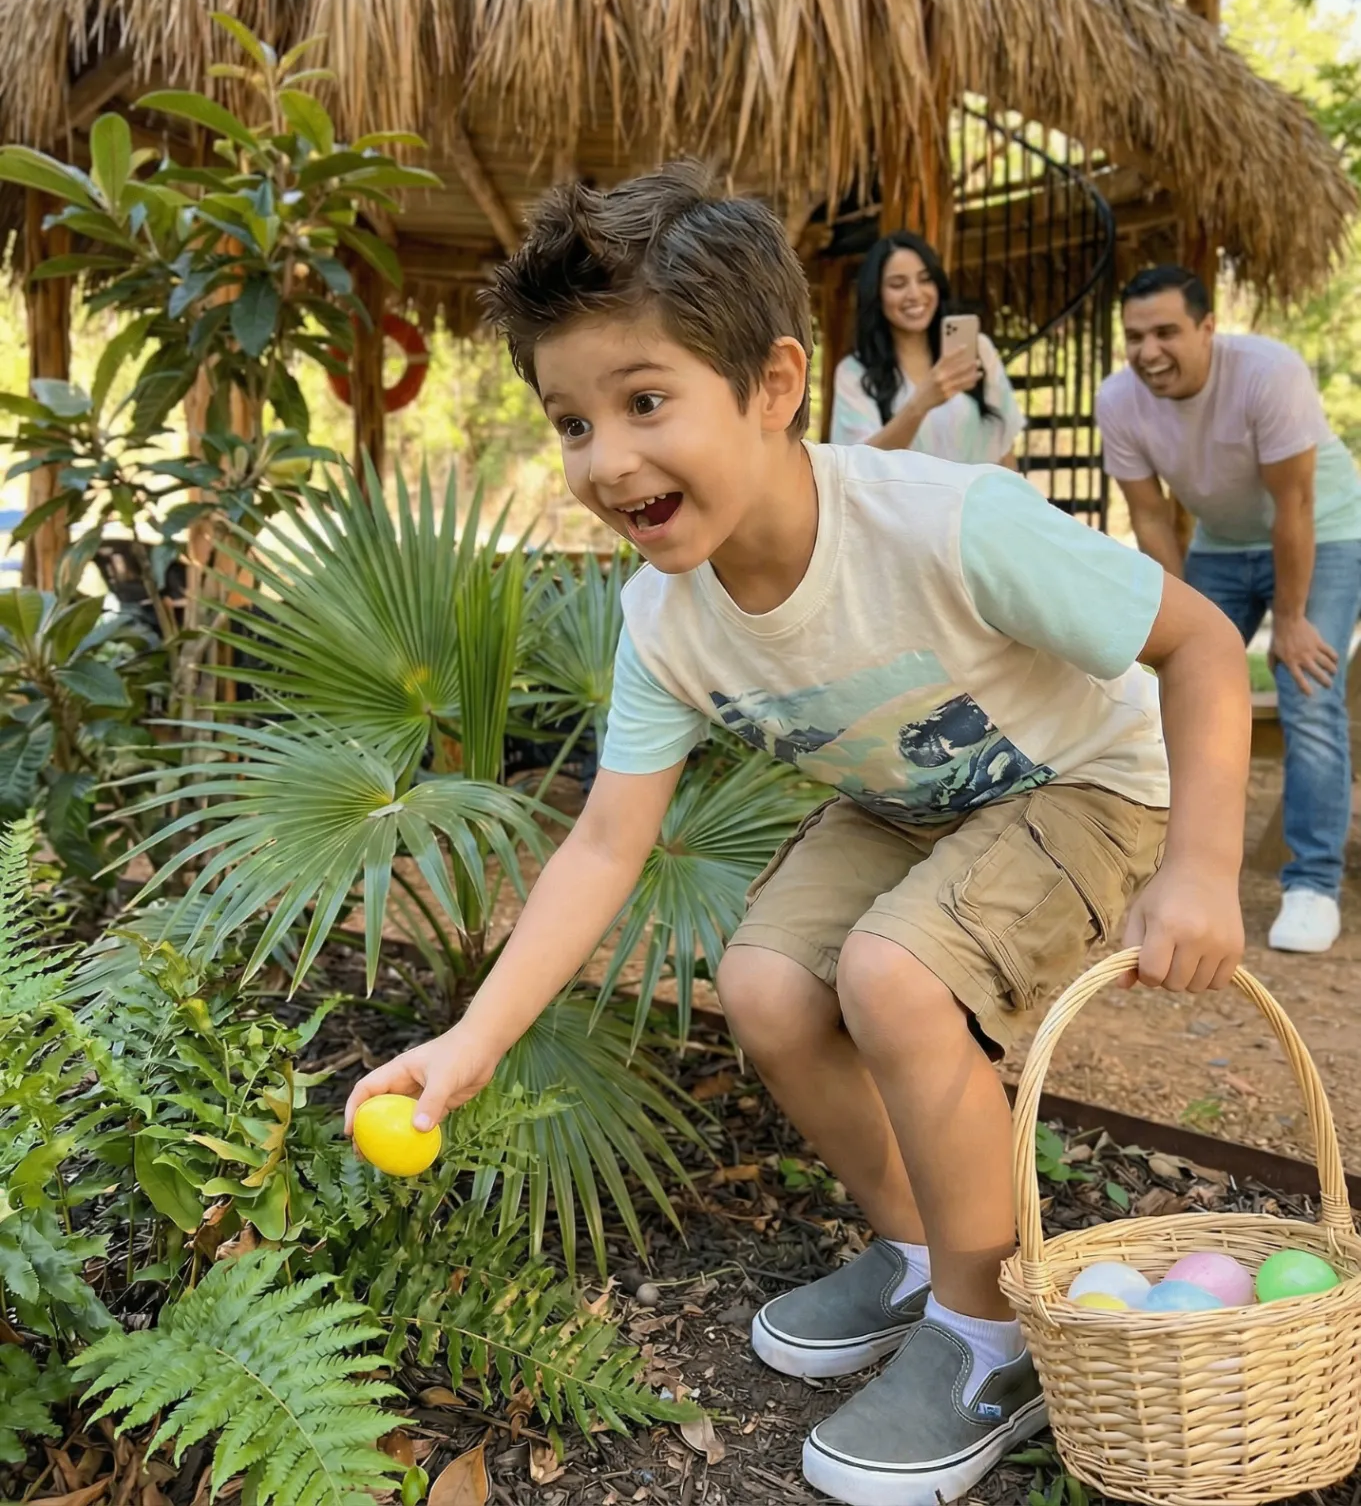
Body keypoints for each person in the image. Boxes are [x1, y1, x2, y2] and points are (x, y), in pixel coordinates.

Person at [347, 167, 1249, 1506]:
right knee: (765, 986)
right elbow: (602, 845)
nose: (606, 459)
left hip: (1092, 781)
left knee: (893, 977)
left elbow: (1203, 644)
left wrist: (1201, 870)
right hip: (913, 801)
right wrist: (472, 1041)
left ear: (772, 386)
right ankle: (921, 1253)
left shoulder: (946, 523)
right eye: (572, 421)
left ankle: (992, 1337)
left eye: (643, 402)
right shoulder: (663, 623)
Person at [1097, 263, 1361, 957]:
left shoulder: (1268, 374)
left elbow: (1294, 503)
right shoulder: (1117, 399)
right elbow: (1150, 517)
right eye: (1134, 337)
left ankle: (1312, 884)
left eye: (1166, 332)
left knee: (1308, 689)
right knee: (1165, 686)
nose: (1148, 351)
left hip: (1324, 531)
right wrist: (1178, 620)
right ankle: (1160, 863)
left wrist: (1292, 620)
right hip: (1220, 544)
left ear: (1207, 328)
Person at [829, 231, 1024, 466]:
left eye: (925, 279)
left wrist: (1016, 490)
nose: (915, 294)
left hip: (982, 491)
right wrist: (919, 405)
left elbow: (1005, 450)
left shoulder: (978, 350)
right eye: (898, 284)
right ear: (876, 295)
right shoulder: (854, 373)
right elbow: (856, 465)